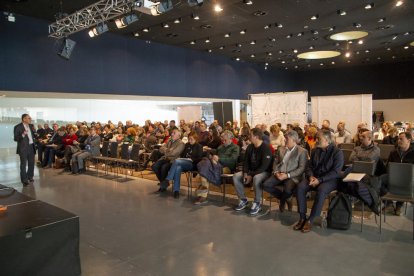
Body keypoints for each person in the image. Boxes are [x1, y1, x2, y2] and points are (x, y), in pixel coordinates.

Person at [294, 129, 344, 233]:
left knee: (321, 190)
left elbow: (336, 172)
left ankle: (311, 220)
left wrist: (320, 180)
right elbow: (309, 166)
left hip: (330, 180)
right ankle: (302, 217)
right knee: (300, 187)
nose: (316, 140)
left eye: (319, 138)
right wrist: (311, 176)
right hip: (315, 178)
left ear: (327, 140)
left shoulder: (337, 152)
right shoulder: (315, 150)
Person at [262, 130, 308, 212]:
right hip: (279, 173)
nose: (285, 140)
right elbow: (275, 162)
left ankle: (282, 201)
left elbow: (301, 168)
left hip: (292, 176)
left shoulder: (302, 151)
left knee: (287, 190)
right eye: (285, 138)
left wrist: (287, 175)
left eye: (287, 139)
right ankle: (286, 198)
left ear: (294, 140)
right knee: (266, 185)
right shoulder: (281, 149)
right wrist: (276, 172)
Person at [233, 128, 273, 216]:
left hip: (265, 172)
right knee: (236, 176)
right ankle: (243, 200)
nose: (248, 137)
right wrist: (245, 173)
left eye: (250, 135)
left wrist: (250, 175)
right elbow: (246, 162)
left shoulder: (266, 148)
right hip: (252, 172)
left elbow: (264, 167)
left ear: (256, 137)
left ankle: (257, 202)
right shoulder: (250, 147)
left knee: (257, 177)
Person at [194, 130, 240, 205]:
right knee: (205, 165)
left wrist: (219, 159)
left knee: (204, 172)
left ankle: (202, 196)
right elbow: (216, 152)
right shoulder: (220, 147)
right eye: (222, 140)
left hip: (227, 168)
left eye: (225, 140)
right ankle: (203, 196)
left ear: (230, 139)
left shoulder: (235, 148)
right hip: (216, 165)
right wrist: (211, 154)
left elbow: (232, 160)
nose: (223, 141)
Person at [343, 130, 381, 214]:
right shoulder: (357, 148)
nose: (360, 138)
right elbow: (351, 159)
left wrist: (358, 157)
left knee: (350, 178)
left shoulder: (376, 149)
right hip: (356, 170)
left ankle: (352, 198)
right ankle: (354, 198)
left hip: (368, 173)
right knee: (350, 178)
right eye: (360, 136)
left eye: (363, 137)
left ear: (370, 138)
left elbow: (370, 159)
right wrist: (362, 159)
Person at [164, 131, 203, 198]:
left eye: (191, 139)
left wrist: (192, 159)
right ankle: (176, 191)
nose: (190, 141)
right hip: (183, 162)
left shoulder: (199, 146)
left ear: (195, 139)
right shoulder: (187, 145)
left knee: (176, 161)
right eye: (189, 139)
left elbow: (199, 158)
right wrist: (185, 158)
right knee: (178, 168)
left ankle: (168, 179)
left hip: (192, 164)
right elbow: (182, 155)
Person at [385, 132, 414, 215]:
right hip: (393, 176)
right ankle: (389, 203)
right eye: (398, 139)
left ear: (408, 140)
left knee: (404, 182)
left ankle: (399, 205)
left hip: (409, 178)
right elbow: (388, 166)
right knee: (378, 181)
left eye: (401, 139)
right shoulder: (393, 152)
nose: (399, 140)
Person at [14, 114, 36, 186]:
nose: (30, 119)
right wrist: (23, 134)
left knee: (31, 163)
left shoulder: (31, 126)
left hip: (31, 147)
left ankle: (30, 176)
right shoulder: (17, 127)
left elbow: (34, 135)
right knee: (23, 164)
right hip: (23, 148)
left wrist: (35, 132)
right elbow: (16, 138)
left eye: (30, 118)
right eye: (29, 118)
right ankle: (24, 180)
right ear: (24, 119)